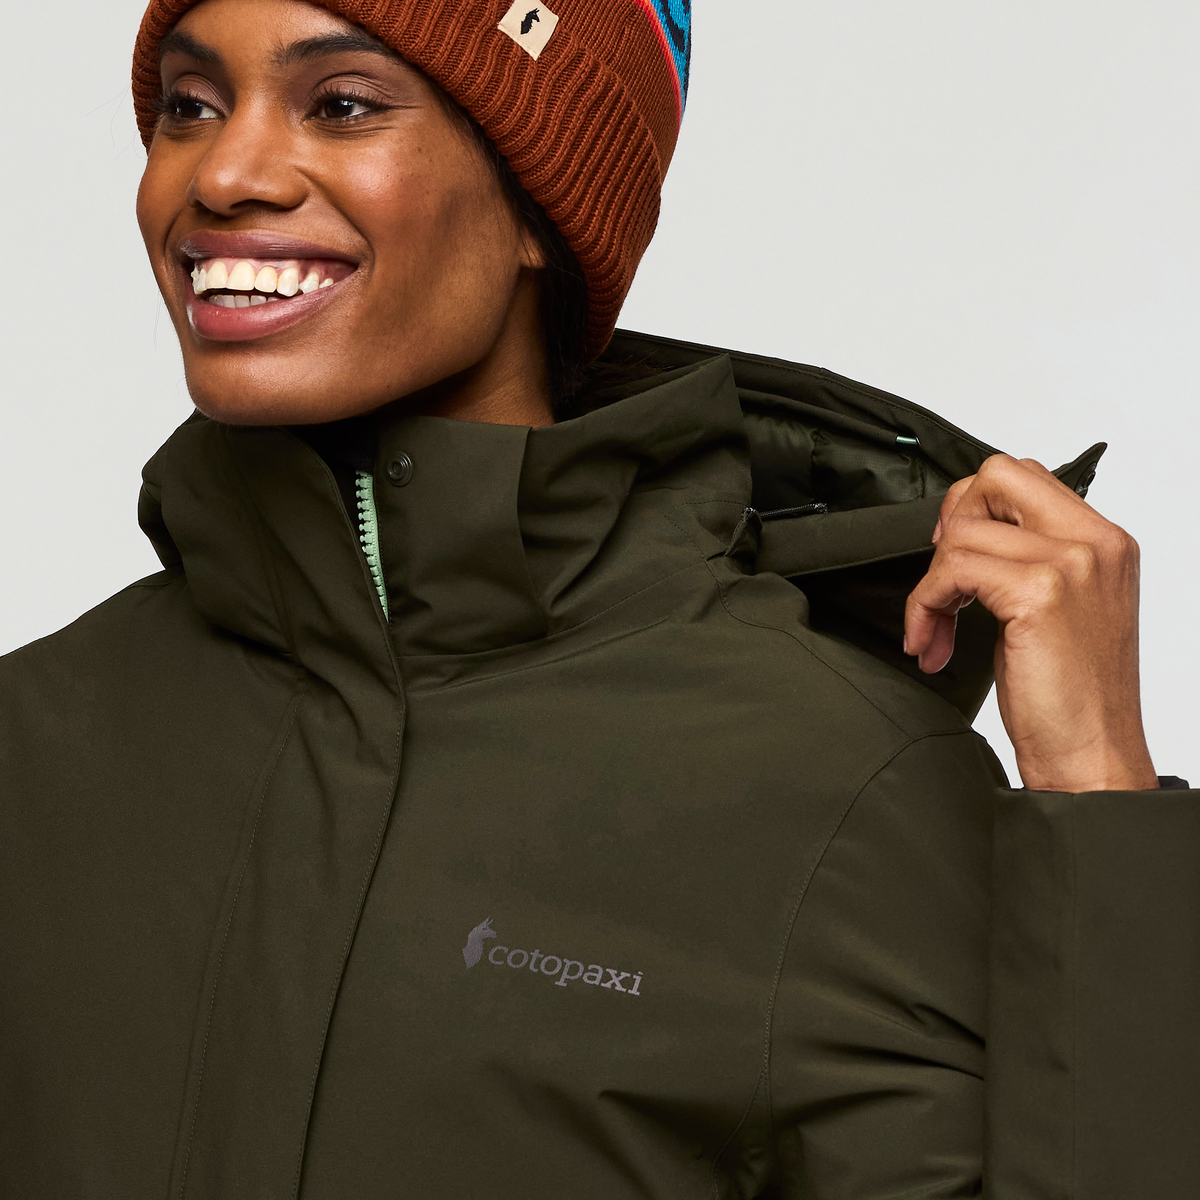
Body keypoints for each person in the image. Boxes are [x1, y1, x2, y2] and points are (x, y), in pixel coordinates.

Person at [0, 0, 1196, 1195]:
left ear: (541, 201)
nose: (223, 175)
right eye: (190, 107)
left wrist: (1097, 795)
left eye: (343, 104)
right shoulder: (36, 738)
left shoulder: (835, 785)